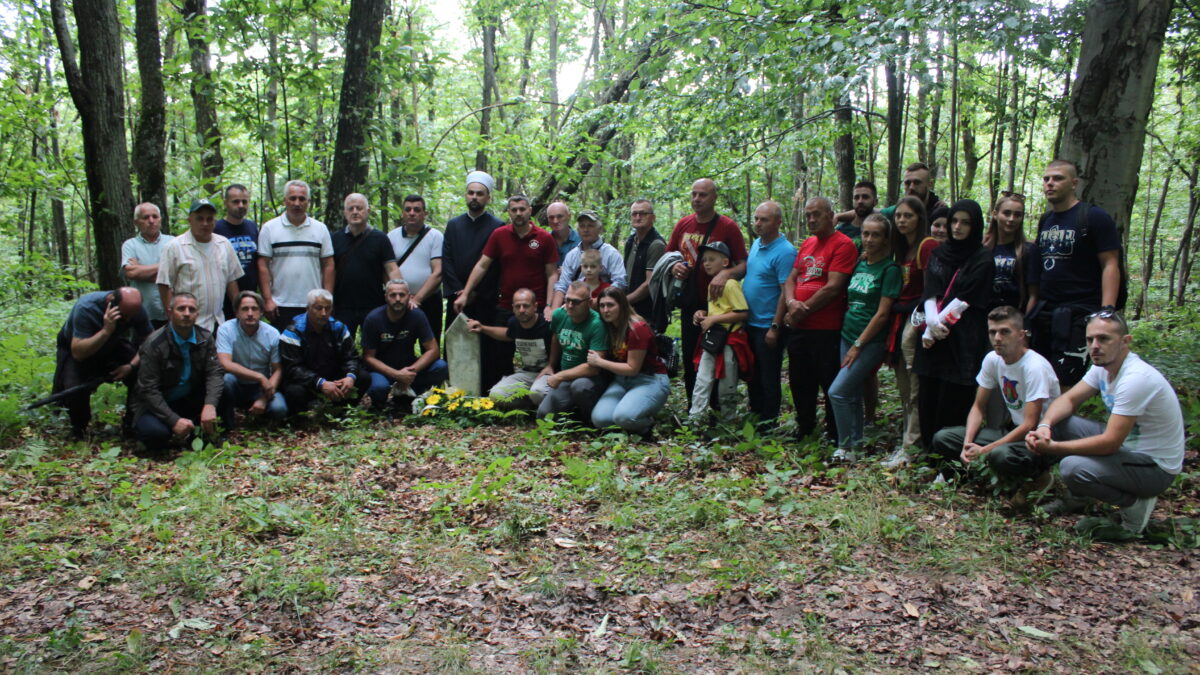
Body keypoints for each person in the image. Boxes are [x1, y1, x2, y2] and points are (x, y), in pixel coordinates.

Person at [1026, 310, 1184, 540]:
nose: (1095, 346)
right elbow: (1069, 399)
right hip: (1129, 448)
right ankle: (1078, 498)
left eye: (1104, 339)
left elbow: (1110, 443)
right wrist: (1045, 425)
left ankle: (1135, 503)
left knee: (1072, 467)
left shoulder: (1135, 378)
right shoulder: (1102, 367)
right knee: (1059, 423)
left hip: (1155, 467)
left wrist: (1053, 448)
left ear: (1125, 341)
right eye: (1090, 339)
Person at [931, 306, 1059, 503]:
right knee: (944, 437)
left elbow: (1030, 424)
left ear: (1021, 335)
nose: (997, 338)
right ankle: (971, 475)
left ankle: (1038, 476)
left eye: (1005, 332)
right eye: (993, 332)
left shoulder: (1034, 367)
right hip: (1013, 432)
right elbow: (978, 407)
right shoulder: (993, 359)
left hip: (1040, 439)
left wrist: (984, 450)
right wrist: (967, 442)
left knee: (999, 455)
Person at [913, 199, 995, 467]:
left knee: (954, 399)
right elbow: (931, 290)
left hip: (963, 339)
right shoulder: (939, 253)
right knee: (928, 397)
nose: (958, 227)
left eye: (966, 222)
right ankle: (928, 454)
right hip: (933, 338)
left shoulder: (982, 258)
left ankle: (950, 461)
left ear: (976, 226)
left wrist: (939, 326)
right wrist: (932, 322)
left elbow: (967, 297)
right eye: (954, 221)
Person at [1028, 159, 1123, 386]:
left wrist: (1106, 313)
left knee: (1066, 380)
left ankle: (1059, 422)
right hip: (1046, 312)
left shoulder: (1093, 217)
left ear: (1074, 183)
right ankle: (1036, 422)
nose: (1050, 183)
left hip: (1080, 313)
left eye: (1058, 178)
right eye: (1047, 179)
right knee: (1039, 377)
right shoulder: (1046, 220)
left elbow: (1110, 264)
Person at [456, 195, 558, 387]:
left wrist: (550, 306)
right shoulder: (499, 235)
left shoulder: (543, 238)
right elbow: (482, 265)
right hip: (506, 305)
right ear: (508, 212)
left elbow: (552, 274)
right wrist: (466, 293)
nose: (518, 213)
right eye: (514, 210)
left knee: (540, 355)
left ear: (530, 210)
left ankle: (540, 394)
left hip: (537, 307)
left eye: (522, 209)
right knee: (501, 355)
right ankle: (505, 397)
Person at [666, 178, 748, 404]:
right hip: (690, 302)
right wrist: (674, 267)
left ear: (714, 198)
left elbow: (743, 263)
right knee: (692, 355)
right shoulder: (683, 224)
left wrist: (726, 273)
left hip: (718, 305)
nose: (696, 199)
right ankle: (695, 407)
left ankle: (718, 407)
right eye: (694, 194)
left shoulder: (728, 227)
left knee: (717, 356)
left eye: (702, 195)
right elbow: (669, 256)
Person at [784, 196, 858, 441]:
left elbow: (833, 287)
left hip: (826, 329)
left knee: (828, 381)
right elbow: (792, 279)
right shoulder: (807, 244)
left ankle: (835, 432)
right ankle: (805, 427)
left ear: (830, 214)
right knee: (799, 380)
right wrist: (792, 302)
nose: (811, 219)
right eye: (807, 215)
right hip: (799, 327)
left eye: (816, 214)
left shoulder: (843, 244)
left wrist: (801, 308)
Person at [828, 215, 901, 461]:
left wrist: (859, 345)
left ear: (885, 239)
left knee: (837, 392)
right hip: (846, 336)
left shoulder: (890, 270)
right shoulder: (860, 264)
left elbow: (882, 314)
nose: (868, 239)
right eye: (866, 234)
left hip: (869, 342)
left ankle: (844, 446)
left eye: (875, 234)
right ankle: (856, 448)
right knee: (852, 394)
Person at [882, 196, 940, 468]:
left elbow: (931, 290)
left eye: (908, 216)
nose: (902, 220)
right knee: (905, 390)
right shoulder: (901, 250)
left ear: (920, 218)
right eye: (899, 216)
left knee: (916, 390)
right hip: (899, 322)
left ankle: (912, 447)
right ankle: (906, 442)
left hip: (916, 325)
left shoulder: (926, 246)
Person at [130, 293, 227, 452]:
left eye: (191, 309)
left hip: (187, 398)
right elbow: (148, 389)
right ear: (170, 312)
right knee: (157, 434)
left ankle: (212, 434)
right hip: (156, 404)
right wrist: (173, 420)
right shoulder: (154, 344)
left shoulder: (204, 337)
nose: (187, 313)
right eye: (181, 308)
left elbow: (214, 372)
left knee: (225, 390)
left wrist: (210, 405)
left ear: (197, 313)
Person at [52, 287, 153, 438]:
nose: (127, 320)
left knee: (143, 373)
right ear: (110, 302)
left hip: (112, 344)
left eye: (131, 316)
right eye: (123, 315)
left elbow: (149, 342)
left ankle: (132, 424)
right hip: (80, 348)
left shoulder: (135, 310)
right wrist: (106, 330)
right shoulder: (86, 308)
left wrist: (131, 366)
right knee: (74, 388)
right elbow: (78, 353)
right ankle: (80, 430)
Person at [441, 171, 506, 392]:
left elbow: (494, 265)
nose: (474, 197)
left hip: (484, 300)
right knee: (455, 344)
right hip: (458, 300)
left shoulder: (498, 226)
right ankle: (454, 390)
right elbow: (446, 261)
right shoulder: (453, 225)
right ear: (465, 195)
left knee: (486, 346)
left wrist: (477, 292)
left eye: (480, 193)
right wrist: (460, 292)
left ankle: (487, 390)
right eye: (471, 193)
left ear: (488, 197)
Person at [589, 287, 670, 436]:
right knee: (600, 419)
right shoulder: (608, 324)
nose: (606, 310)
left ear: (622, 305)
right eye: (602, 305)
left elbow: (633, 368)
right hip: (621, 380)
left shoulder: (637, 328)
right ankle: (627, 424)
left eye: (611, 305)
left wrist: (599, 362)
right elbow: (586, 310)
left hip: (649, 380)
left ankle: (648, 426)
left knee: (624, 417)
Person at [742, 200, 796, 426]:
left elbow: (786, 291)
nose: (758, 223)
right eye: (756, 218)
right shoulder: (756, 244)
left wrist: (775, 326)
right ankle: (756, 413)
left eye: (764, 219)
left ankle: (769, 422)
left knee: (769, 376)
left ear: (778, 222)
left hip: (768, 325)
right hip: (750, 323)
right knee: (752, 374)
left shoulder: (785, 251)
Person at [156, 199, 244, 332]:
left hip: (218, 322)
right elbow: (164, 284)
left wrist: (239, 310)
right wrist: (172, 315)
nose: (205, 223)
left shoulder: (224, 244)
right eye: (200, 219)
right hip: (187, 322)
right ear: (190, 220)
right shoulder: (174, 247)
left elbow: (231, 280)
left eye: (209, 219)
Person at [688, 241, 751, 425]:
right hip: (713, 340)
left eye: (711, 259)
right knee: (702, 378)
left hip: (729, 341)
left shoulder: (730, 284)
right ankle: (695, 419)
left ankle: (728, 421)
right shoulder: (712, 284)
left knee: (727, 382)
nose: (706, 263)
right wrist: (703, 314)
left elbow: (742, 313)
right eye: (704, 260)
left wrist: (713, 320)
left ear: (725, 262)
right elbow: (718, 310)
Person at [361, 280, 448, 413]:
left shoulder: (417, 315)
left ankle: (410, 399)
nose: (397, 299)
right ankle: (379, 406)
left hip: (409, 366)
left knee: (440, 366)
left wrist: (409, 373)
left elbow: (433, 350)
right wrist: (396, 374)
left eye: (402, 295)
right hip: (382, 370)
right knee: (379, 387)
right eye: (393, 295)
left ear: (409, 296)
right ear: (386, 297)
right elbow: (368, 357)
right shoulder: (373, 319)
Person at [257, 180, 335, 327]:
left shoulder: (320, 229)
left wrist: (327, 298)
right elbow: (263, 265)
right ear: (285, 201)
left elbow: (328, 264)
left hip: (314, 304)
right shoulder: (269, 228)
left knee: (313, 348)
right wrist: (267, 299)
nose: (297, 203)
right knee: (284, 347)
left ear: (308, 202)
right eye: (292, 198)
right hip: (280, 304)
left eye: (302, 199)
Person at [279, 289, 366, 413]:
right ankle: (300, 419)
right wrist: (320, 383)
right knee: (295, 392)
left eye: (328, 308)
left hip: (333, 376)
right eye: (318, 308)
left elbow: (351, 357)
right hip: (307, 382)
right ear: (308, 309)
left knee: (363, 377)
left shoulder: (338, 327)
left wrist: (350, 376)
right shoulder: (293, 332)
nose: (324, 313)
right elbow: (292, 368)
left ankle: (342, 410)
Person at [468, 288, 552, 410]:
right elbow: (507, 334)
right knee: (496, 395)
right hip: (524, 374)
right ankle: (528, 408)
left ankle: (545, 409)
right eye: (517, 306)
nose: (521, 310)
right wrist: (483, 328)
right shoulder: (514, 323)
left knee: (537, 393)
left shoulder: (546, 323)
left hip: (546, 374)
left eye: (526, 306)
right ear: (512, 308)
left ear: (535, 306)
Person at [331, 193, 401, 339]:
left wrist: (399, 293)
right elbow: (329, 270)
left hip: (373, 305)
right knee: (341, 346)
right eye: (351, 208)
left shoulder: (380, 238)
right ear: (345, 213)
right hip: (343, 305)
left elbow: (391, 268)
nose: (355, 212)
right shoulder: (335, 239)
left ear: (367, 211)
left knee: (374, 347)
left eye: (359, 208)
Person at [537, 281, 609, 423]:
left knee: (580, 387)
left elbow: (594, 368)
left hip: (590, 379)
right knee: (543, 415)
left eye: (575, 302)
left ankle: (591, 422)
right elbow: (556, 338)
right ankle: (575, 414)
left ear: (588, 303)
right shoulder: (559, 315)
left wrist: (560, 376)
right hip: (567, 377)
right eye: (567, 300)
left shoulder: (597, 324)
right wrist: (551, 365)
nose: (570, 306)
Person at [216, 291, 287, 426]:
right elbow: (225, 363)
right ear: (237, 312)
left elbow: (278, 370)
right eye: (245, 309)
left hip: (261, 388)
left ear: (261, 312)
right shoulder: (225, 329)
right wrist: (259, 376)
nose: (250, 313)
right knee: (225, 381)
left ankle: (258, 416)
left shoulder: (272, 333)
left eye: (254, 309)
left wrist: (264, 399)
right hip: (236, 384)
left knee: (279, 409)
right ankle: (227, 425)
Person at [387, 194, 444, 344]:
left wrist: (417, 299)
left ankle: (432, 367)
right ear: (402, 213)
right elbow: (386, 270)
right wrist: (403, 297)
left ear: (425, 214)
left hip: (429, 300)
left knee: (431, 342)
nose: (412, 213)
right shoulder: (391, 237)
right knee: (400, 344)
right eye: (408, 209)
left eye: (417, 210)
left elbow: (438, 272)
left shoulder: (435, 236)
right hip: (398, 301)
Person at [550, 210, 626, 317]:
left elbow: (620, 282)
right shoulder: (572, 255)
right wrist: (554, 312)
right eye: (582, 226)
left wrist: (598, 301)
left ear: (599, 229)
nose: (585, 230)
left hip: (603, 310)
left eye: (590, 226)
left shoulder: (610, 254)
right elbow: (562, 285)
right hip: (574, 307)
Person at [121, 203, 174, 327]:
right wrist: (165, 265)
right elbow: (131, 273)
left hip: (171, 311)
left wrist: (141, 269)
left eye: (155, 217)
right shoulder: (130, 245)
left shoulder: (173, 242)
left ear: (160, 219)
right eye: (145, 217)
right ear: (136, 222)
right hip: (143, 313)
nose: (151, 221)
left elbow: (178, 273)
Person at [985, 192, 1037, 311]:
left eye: (1017, 215)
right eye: (1006, 213)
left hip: (1015, 318)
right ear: (995, 214)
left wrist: (1026, 324)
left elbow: (1033, 295)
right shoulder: (982, 249)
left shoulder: (1028, 250)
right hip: (984, 318)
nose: (1011, 219)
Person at [214, 184, 260, 318]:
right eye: (236, 201)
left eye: (244, 201)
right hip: (223, 299)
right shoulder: (216, 228)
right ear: (226, 203)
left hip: (250, 295)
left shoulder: (251, 226)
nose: (241, 205)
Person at [622, 199, 666, 320]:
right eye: (634, 214)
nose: (638, 217)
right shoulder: (631, 241)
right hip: (629, 309)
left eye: (643, 214)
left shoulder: (656, 244)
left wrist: (624, 301)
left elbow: (649, 284)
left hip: (647, 312)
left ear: (653, 217)